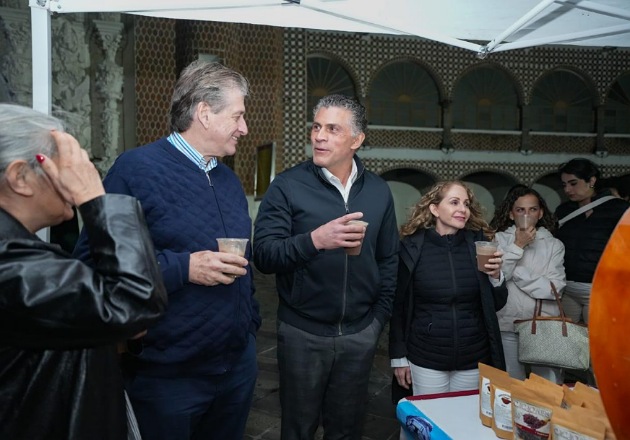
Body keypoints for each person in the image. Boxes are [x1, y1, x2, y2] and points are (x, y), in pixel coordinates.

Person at [73, 61, 261, 440]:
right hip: (168, 376)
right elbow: (93, 265)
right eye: (238, 116)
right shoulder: (135, 169)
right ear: (204, 113)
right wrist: (184, 268)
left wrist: (249, 328)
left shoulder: (227, 179)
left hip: (236, 369)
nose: (244, 128)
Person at [0, 103, 167, 439]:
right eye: (67, 165)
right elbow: (136, 302)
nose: (80, 174)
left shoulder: (21, 252)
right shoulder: (10, 264)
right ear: (20, 177)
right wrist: (94, 196)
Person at [253, 94, 399, 439]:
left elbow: (388, 259)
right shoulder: (288, 186)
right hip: (302, 333)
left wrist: (376, 321)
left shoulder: (378, 191)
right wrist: (315, 240)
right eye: (316, 127)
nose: (319, 136)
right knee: (298, 430)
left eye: (333, 129)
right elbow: (264, 254)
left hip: (360, 334)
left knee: (347, 430)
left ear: (357, 140)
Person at [389, 180, 508, 397]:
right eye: (454, 202)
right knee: (429, 416)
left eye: (466, 204)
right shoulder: (412, 248)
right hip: (426, 357)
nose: (463, 209)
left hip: (473, 356)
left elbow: (497, 304)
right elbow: (399, 306)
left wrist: (496, 276)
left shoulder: (479, 245)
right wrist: (398, 357)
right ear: (435, 209)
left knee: (465, 416)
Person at [491, 185, 566, 383]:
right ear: (511, 214)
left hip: (543, 323)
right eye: (520, 210)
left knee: (547, 385)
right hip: (507, 322)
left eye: (532, 209)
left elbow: (554, 289)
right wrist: (518, 246)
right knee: (511, 383)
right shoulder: (497, 240)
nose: (527, 215)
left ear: (540, 213)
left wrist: (516, 271)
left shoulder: (554, 245)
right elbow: (496, 279)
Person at [555, 158, 629, 325]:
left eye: (573, 183)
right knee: (567, 337)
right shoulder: (564, 211)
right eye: (564, 184)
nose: (567, 189)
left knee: (595, 338)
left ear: (592, 180)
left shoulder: (618, 208)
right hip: (566, 288)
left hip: (600, 289)